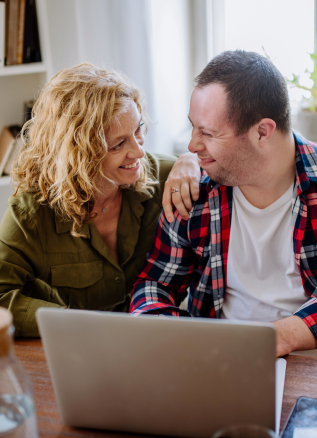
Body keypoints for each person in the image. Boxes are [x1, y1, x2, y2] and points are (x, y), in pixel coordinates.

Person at [130, 50, 317, 357]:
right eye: (193, 127)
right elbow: (156, 283)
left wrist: (281, 336)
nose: (192, 145)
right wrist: (174, 332)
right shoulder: (194, 192)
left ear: (262, 132)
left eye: (208, 133)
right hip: (218, 361)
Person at [0, 63, 200, 337]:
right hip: (78, 352)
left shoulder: (164, 177)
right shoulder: (30, 214)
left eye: (138, 129)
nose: (139, 152)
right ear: (79, 153)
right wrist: (73, 324)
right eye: (118, 144)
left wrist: (192, 161)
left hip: (156, 342)